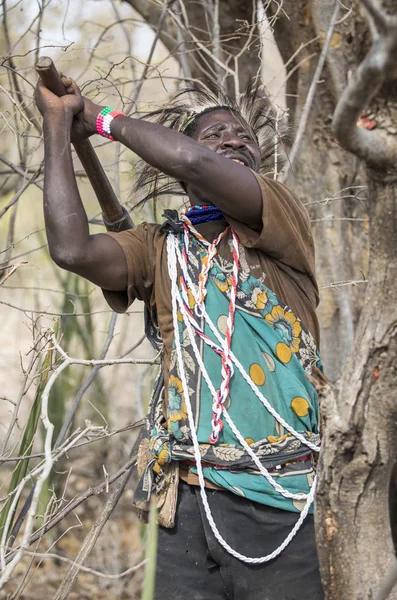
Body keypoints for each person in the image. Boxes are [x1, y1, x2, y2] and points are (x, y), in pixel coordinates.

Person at [35, 75, 325, 599]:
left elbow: (196, 164)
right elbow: (72, 250)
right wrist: (58, 125)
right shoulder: (159, 250)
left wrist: (100, 118)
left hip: (282, 494)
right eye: (214, 135)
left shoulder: (278, 218)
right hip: (186, 500)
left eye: (243, 136)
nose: (234, 141)